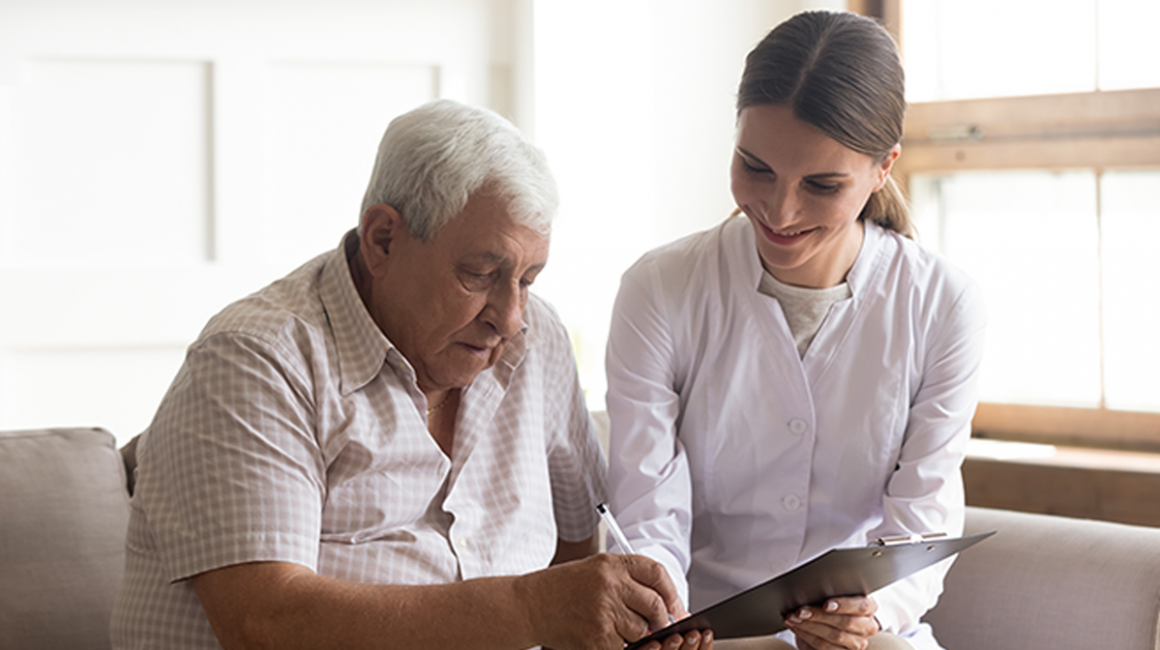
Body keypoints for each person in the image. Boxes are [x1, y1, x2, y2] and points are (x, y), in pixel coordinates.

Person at [110, 99, 712, 650]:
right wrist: (531, 608)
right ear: (383, 240)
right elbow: (266, 622)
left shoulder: (538, 341)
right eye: (480, 273)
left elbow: (575, 550)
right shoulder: (256, 359)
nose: (509, 317)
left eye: (528, 280)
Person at [605, 11, 985, 650]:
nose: (780, 211)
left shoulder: (942, 304)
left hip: (865, 634)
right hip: (703, 634)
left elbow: (921, 520)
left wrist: (868, 613)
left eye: (822, 185)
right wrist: (661, 611)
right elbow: (648, 510)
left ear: (883, 168)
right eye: (756, 168)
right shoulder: (659, 288)